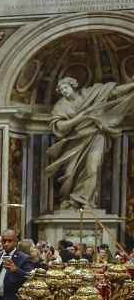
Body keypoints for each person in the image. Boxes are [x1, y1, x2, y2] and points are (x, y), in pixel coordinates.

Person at [47, 77, 134, 210]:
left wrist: (132, 85)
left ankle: (85, 201)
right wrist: (78, 118)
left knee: (92, 169)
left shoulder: (90, 93)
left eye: (66, 87)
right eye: (61, 89)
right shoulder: (61, 105)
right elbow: (59, 125)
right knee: (69, 173)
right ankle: (71, 201)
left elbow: (114, 91)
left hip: (96, 136)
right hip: (75, 140)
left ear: (73, 85)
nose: (64, 91)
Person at [0, 230, 34, 300]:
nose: (6, 244)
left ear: (16, 241)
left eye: (10, 241)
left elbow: (31, 278)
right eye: (4, 241)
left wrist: (16, 270)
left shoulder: (24, 258)